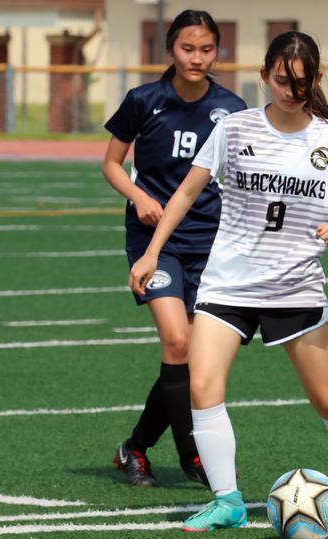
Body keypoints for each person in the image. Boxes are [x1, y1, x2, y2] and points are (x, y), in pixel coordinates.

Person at [129, 31, 328, 531]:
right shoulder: (234, 129)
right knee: (202, 383)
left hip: (295, 287)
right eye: (281, 80)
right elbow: (186, 193)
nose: (290, 91)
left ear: (317, 80)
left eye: (301, 83)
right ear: (264, 76)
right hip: (227, 285)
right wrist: (151, 253)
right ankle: (228, 500)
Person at [102, 10, 246, 487]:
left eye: (207, 49)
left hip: (210, 240)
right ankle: (193, 455)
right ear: (170, 49)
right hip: (154, 242)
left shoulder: (231, 106)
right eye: (188, 48)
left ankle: (135, 447)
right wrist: (140, 196)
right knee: (178, 342)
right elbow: (111, 164)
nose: (197, 58)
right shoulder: (145, 100)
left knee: (190, 357)